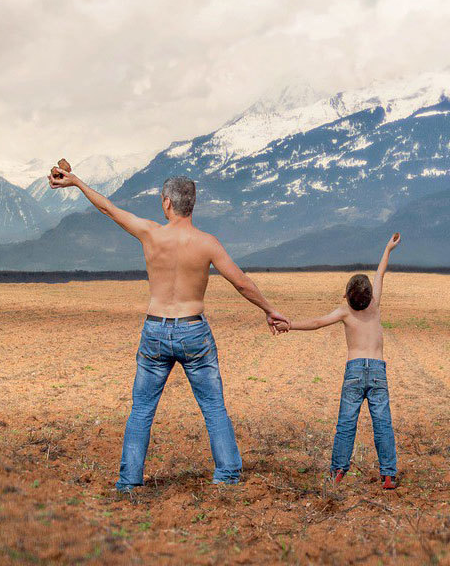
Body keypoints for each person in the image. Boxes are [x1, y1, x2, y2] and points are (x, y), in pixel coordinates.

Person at [48, 169, 290, 490]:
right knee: (213, 406)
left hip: (155, 330)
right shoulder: (207, 243)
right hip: (194, 331)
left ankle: (129, 482)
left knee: (142, 410)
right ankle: (227, 475)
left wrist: (77, 182)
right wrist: (270, 310)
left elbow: (107, 208)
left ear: (166, 203)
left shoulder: (151, 234)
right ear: (192, 205)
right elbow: (241, 283)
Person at [274, 233, 401, 489]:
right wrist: (388, 248)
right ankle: (387, 475)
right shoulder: (375, 306)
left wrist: (290, 325)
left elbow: (317, 322)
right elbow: (381, 273)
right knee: (383, 424)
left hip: (354, 370)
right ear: (369, 295)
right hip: (377, 370)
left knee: (346, 424)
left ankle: (338, 472)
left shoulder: (344, 311)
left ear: (346, 296)